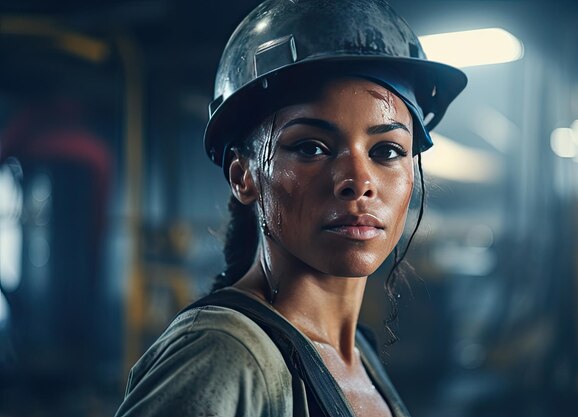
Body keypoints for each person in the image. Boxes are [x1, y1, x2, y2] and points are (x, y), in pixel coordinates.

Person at [115, 0, 466, 416]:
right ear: (243, 176)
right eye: (311, 147)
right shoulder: (224, 356)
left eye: (387, 151)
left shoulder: (357, 355)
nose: (358, 181)